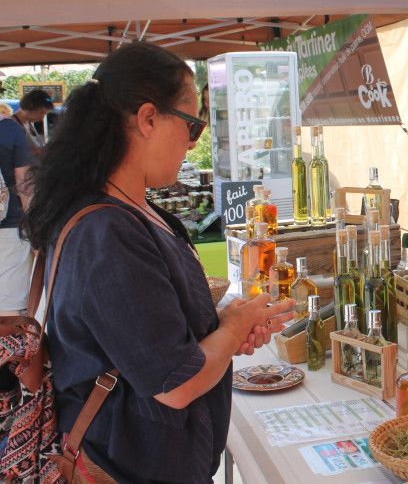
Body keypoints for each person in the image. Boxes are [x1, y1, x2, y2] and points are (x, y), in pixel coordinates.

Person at [20, 42, 295, 482]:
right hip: (125, 468)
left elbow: (152, 334)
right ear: (148, 118)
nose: (193, 142)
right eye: (192, 126)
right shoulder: (107, 233)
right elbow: (175, 384)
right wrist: (231, 329)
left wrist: (222, 326)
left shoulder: (131, 211)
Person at [0, 92, 34, 317]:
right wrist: (34, 225)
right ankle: (7, 352)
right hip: (10, 227)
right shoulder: (10, 130)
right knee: (9, 307)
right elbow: (24, 182)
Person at [12, 89, 54, 154]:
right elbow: (15, 151)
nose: (42, 117)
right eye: (41, 112)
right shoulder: (11, 126)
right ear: (29, 106)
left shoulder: (29, 123)